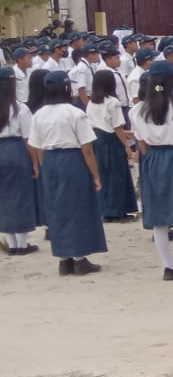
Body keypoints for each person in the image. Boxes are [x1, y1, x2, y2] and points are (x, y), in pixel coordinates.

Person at [128, 62, 173, 280]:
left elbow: (140, 142)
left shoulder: (137, 111)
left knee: (158, 217)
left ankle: (168, 267)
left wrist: (150, 158)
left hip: (152, 159)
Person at [27, 72, 106, 275]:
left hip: (51, 160)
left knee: (57, 209)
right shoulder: (74, 113)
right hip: (73, 160)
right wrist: (96, 175)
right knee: (77, 206)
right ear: (66, 88)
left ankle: (64, 259)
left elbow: (36, 145)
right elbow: (87, 149)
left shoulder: (39, 114)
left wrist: (45, 165)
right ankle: (80, 258)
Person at [86, 70, 137, 223]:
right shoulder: (112, 102)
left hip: (97, 139)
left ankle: (107, 210)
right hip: (111, 140)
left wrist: (127, 133)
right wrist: (127, 147)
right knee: (117, 174)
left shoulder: (91, 102)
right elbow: (116, 127)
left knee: (104, 174)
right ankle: (118, 211)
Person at [0, 68, 41, 256]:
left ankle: (12, 244)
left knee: (3, 197)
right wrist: (35, 162)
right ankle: (22, 244)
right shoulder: (20, 108)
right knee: (21, 195)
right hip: (15, 150)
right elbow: (28, 139)